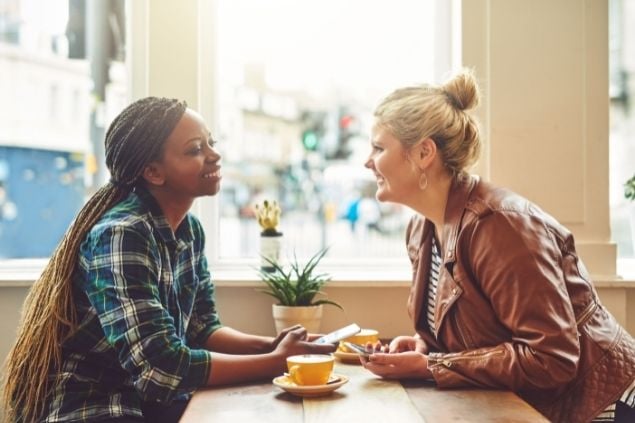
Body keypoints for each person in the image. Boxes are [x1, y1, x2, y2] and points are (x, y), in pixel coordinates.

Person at [2, 97, 335, 423]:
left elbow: (201, 329)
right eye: (195, 150)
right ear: (153, 172)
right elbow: (159, 369)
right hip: (93, 403)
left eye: (211, 143)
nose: (215, 155)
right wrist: (276, 362)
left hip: (147, 402)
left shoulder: (189, 231)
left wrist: (273, 346)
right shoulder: (123, 234)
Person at [360, 70, 635, 423]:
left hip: (604, 407)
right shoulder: (421, 228)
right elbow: (477, 336)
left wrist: (431, 365)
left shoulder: (500, 226)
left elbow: (552, 357)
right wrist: (423, 347)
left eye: (379, 147)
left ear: (424, 152)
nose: (368, 161)